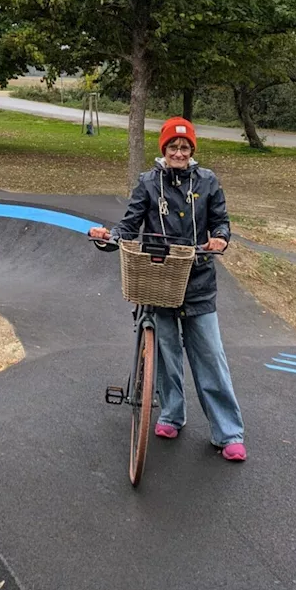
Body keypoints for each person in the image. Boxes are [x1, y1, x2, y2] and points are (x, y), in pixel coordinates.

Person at [88, 117, 247, 462]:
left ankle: (228, 432)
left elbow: (221, 220)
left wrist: (220, 238)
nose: (178, 152)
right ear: (164, 149)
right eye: (173, 147)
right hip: (157, 279)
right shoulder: (148, 183)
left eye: (184, 147)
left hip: (199, 281)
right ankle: (171, 414)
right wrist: (109, 238)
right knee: (166, 356)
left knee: (210, 357)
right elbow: (130, 224)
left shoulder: (208, 182)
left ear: (192, 151)